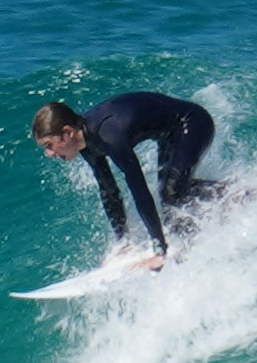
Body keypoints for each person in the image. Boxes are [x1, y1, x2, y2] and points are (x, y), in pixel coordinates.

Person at [35, 86, 220, 263]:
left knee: (172, 194)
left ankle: (230, 193)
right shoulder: (86, 143)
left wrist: (159, 247)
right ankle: (208, 220)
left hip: (192, 123)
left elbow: (139, 190)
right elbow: (109, 192)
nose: (49, 153)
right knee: (171, 207)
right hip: (169, 134)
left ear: (67, 133)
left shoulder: (108, 135)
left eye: (49, 145)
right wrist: (122, 242)